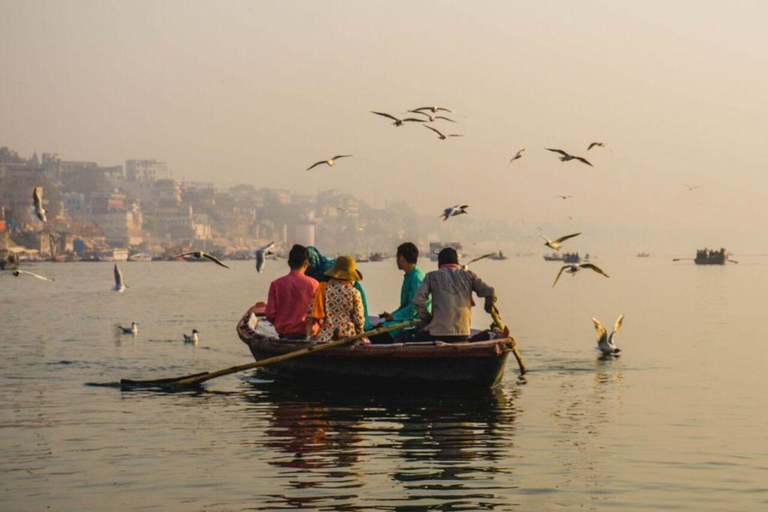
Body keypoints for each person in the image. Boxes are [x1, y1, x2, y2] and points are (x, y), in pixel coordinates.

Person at [410, 247, 496, 343]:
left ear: (439, 263)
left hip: (437, 334)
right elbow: (490, 292)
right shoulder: (469, 275)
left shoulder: (431, 277)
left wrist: (428, 319)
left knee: (413, 337)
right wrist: (488, 306)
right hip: (463, 333)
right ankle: (490, 334)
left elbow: (418, 301)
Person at [369, 242, 429, 344]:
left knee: (373, 337)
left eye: (397, 257)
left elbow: (413, 308)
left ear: (402, 258)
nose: (396, 261)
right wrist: (393, 315)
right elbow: (405, 306)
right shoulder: (410, 275)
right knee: (374, 330)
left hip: (412, 323)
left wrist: (394, 317)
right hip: (404, 320)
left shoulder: (416, 277)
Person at [305, 246, 371, 330]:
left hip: (326, 334)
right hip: (348, 333)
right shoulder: (355, 292)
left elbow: (312, 313)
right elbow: (359, 320)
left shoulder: (322, 288)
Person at [265, 245, 319, 339]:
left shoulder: (276, 284)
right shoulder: (314, 284)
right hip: (309, 336)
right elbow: (320, 313)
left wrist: (281, 323)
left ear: (289, 263)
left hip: (284, 335)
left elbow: (270, 314)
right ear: (306, 264)